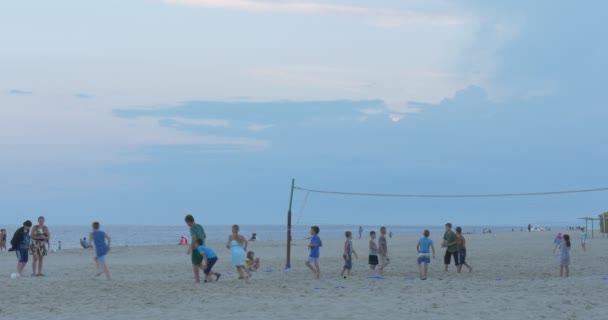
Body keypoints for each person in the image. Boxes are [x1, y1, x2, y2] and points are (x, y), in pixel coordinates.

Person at [184, 214, 206, 283]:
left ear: (189, 221)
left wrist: (190, 248)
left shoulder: (192, 228)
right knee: (199, 264)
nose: (187, 225)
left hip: (196, 248)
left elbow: (194, 238)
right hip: (203, 246)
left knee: (195, 264)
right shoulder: (199, 226)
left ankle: (197, 280)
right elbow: (204, 236)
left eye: (187, 223)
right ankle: (212, 275)